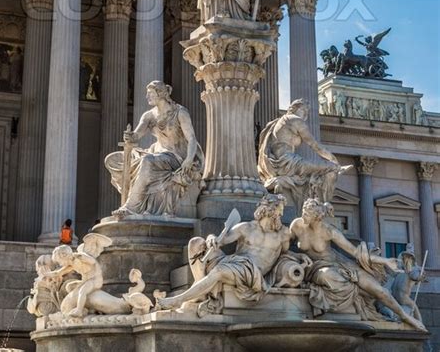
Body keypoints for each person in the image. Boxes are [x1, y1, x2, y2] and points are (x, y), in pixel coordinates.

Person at [290, 198, 426, 331]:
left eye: (307, 214)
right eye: (303, 212)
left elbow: (356, 253)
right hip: (316, 268)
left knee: (380, 290)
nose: (303, 215)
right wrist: (299, 256)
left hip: (339, 263)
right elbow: (284, 248)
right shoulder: (297, 225)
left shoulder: (330, 231)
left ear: (317, 217)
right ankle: (359, 295)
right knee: (329, 276)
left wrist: (385, 261)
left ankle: (406, 317)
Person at [159, 195, 292, 312]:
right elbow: (222, 241)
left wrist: (300, 258)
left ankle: (178, 300)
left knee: (219, 271)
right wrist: (211, 237)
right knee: (196, 243)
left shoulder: (282, 235)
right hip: (236, 262)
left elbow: (286, 255)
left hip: (251, 272)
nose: (281, 214)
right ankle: (201, 290)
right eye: (280, 209)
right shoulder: (246, 227)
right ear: (270, 209)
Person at [105, 80, 203, 216]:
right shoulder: (149, 116)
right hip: (158, 154)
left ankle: (131, 207)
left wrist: (189, 159)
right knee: (113, 160)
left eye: (150, 93)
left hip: (176, 157)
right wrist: (130, 136)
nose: (147, 97)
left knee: (147, 161)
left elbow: (192, 138)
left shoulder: (180, 112)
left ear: (161, 94)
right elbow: (137, 135)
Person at [258, 99, 351, 211]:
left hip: (276, 164)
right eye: (304, 110)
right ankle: (323, 206)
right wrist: (334, 160)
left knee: (317, 171)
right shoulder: (295, 120)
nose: (306, 114)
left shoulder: (279, 121)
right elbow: (315, 145)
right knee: (330, 168)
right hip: (287, 163)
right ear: (296, 108)